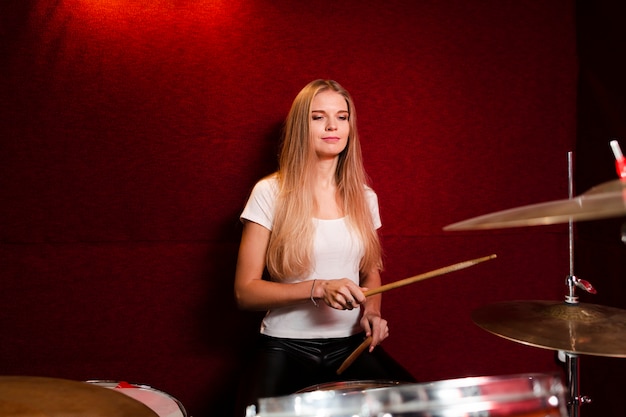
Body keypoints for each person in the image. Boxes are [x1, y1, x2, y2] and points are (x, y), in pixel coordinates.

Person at [234, 79, 414, 415]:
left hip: (351, 347)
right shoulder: (270, 192)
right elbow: (245, 293)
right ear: (302, 127)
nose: (333, 126)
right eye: (318, 117)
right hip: (284, 346)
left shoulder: (365, 197)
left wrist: (372, 314)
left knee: (423, 405)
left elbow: (371, 274)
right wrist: (317, 288)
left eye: (342, 117)